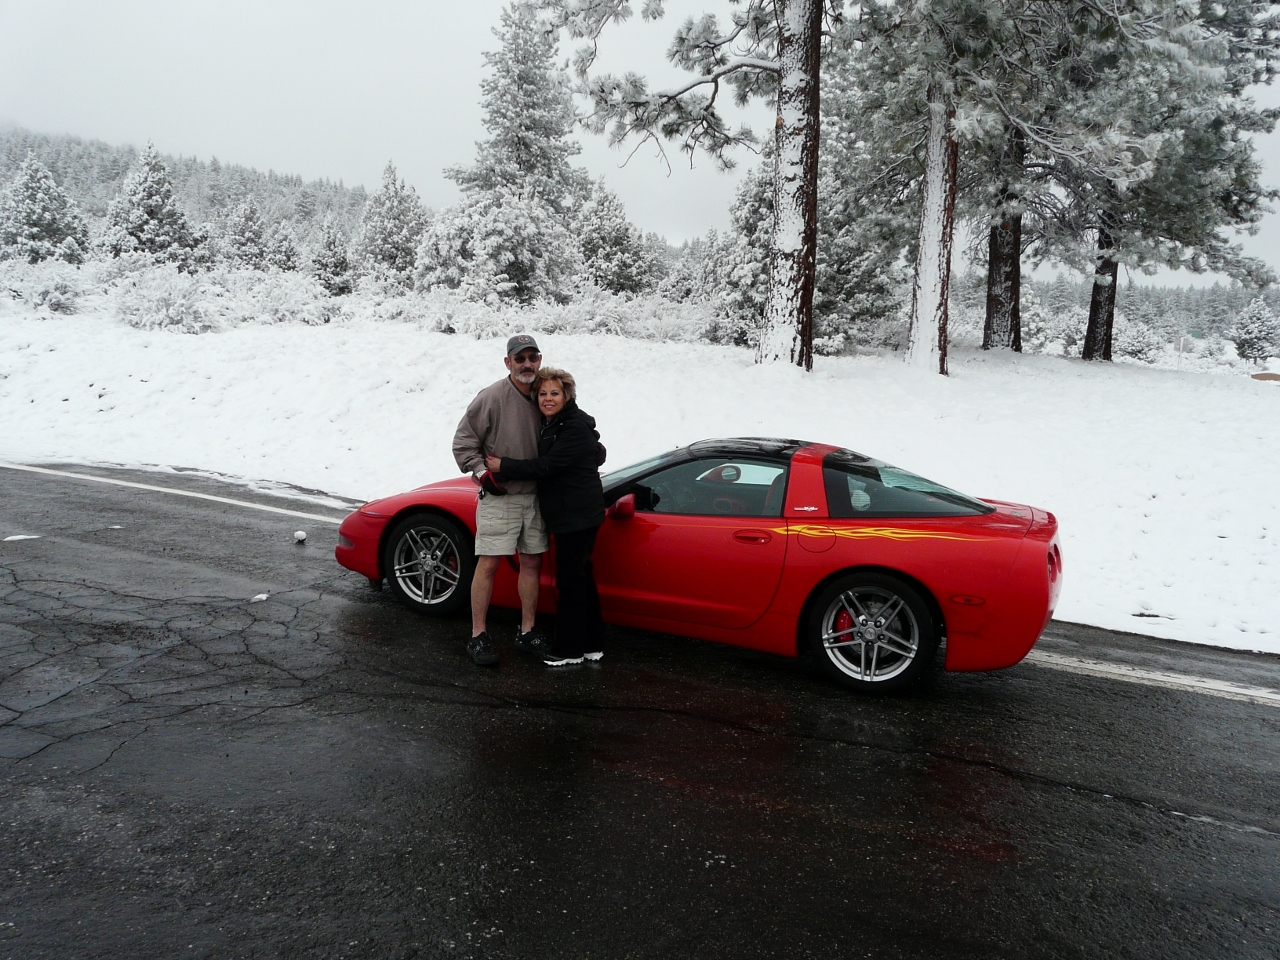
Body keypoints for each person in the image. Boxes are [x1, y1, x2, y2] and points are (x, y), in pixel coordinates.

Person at [486, 367, 606, 666]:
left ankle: (569, 650)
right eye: (542, 394)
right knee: (581, 579)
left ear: (567, 396)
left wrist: (503, 466)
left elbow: (547, 466)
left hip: (576, 515)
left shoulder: (573, 426)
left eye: (554, 393)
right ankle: (592, 644)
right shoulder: (556, 423)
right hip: (574, 512)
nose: (547, 399)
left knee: (571, 582)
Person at [452, 334, 548, 666]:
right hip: (501, 497)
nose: (527, 364)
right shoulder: (492, 397)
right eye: (520, 358)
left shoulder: (546, 393)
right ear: (508, 362)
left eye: (532, 357)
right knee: (489, 564)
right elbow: (463, 442)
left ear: (539, 360)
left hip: (536, 497)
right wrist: (482, 474)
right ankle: (478, 635)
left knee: (532, 564)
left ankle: (527, 631)